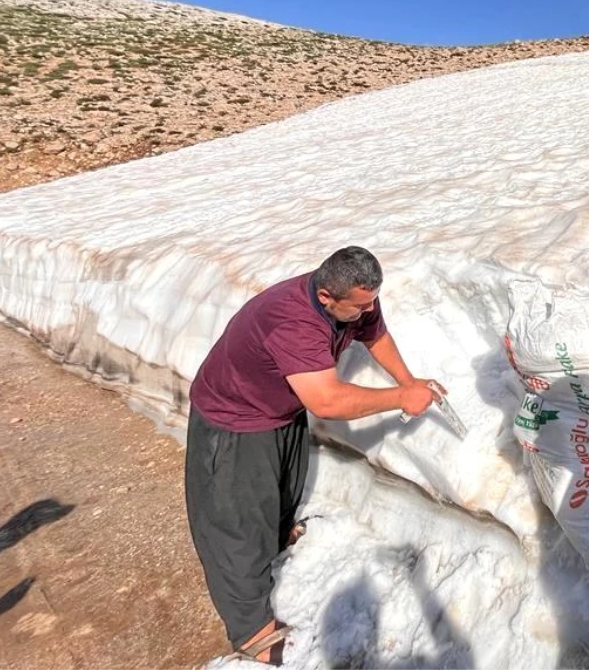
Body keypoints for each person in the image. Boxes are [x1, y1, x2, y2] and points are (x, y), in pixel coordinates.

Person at [185, 245, 445, 665]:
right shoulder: (292, 321)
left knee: (281, 493)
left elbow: (375, 335)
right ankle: (252, 631)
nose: (369, 311)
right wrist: (400, 397)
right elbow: (326, 401)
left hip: (280, 411)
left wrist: (410, 382)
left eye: (372, 301)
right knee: (235, 524)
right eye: (360, 305)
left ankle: (276, 539)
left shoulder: (351, 299)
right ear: (327, 297)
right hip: (234, 421)